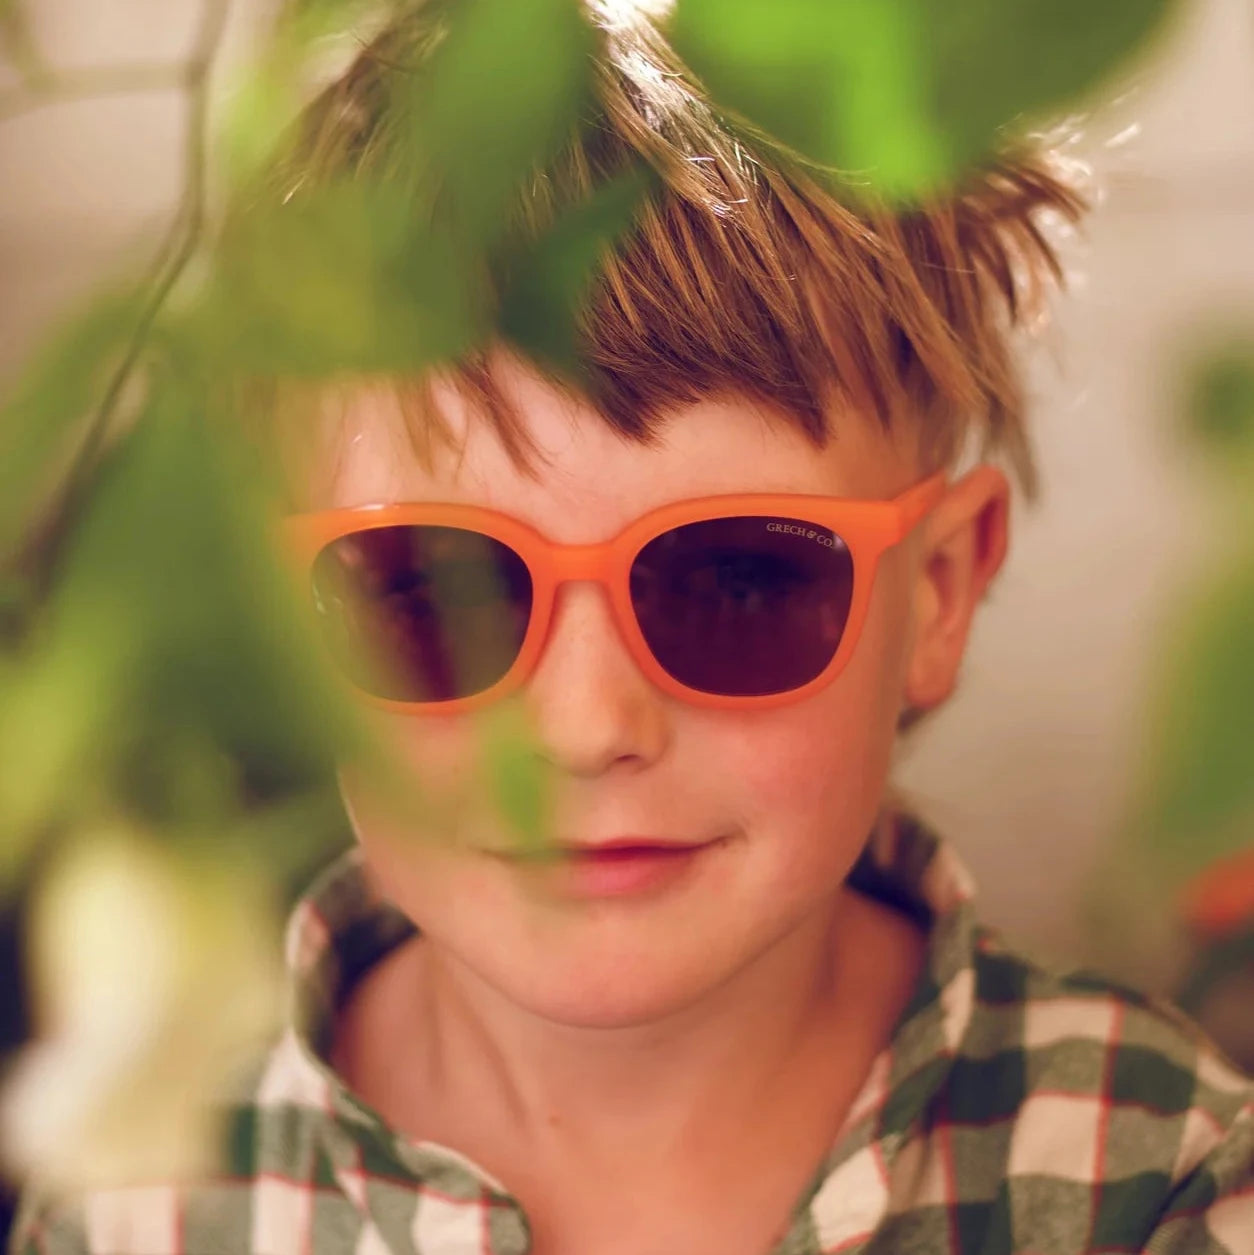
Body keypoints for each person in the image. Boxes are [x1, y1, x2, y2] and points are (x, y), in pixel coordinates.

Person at [11, 3, 1254, 1252]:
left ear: (935, 593)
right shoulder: (138, 1205)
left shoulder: (1158, 1178)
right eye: (434, 593)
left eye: (738, 583)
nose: (587, 725)